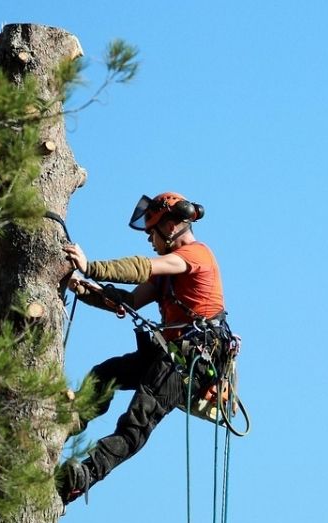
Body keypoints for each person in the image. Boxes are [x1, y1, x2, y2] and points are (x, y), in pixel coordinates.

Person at [57, 191, 230, 504]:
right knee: (105, 374)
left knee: (137, 420)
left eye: (152, 232)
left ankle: (85, 476)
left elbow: (141, 268)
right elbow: (131, 300)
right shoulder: (167, 275)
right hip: (171, 352)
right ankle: (69, 420)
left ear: (171, 227)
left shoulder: (194, 256)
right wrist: (86, 290)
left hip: (193, 358)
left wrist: (91, 267)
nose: (150, 240)